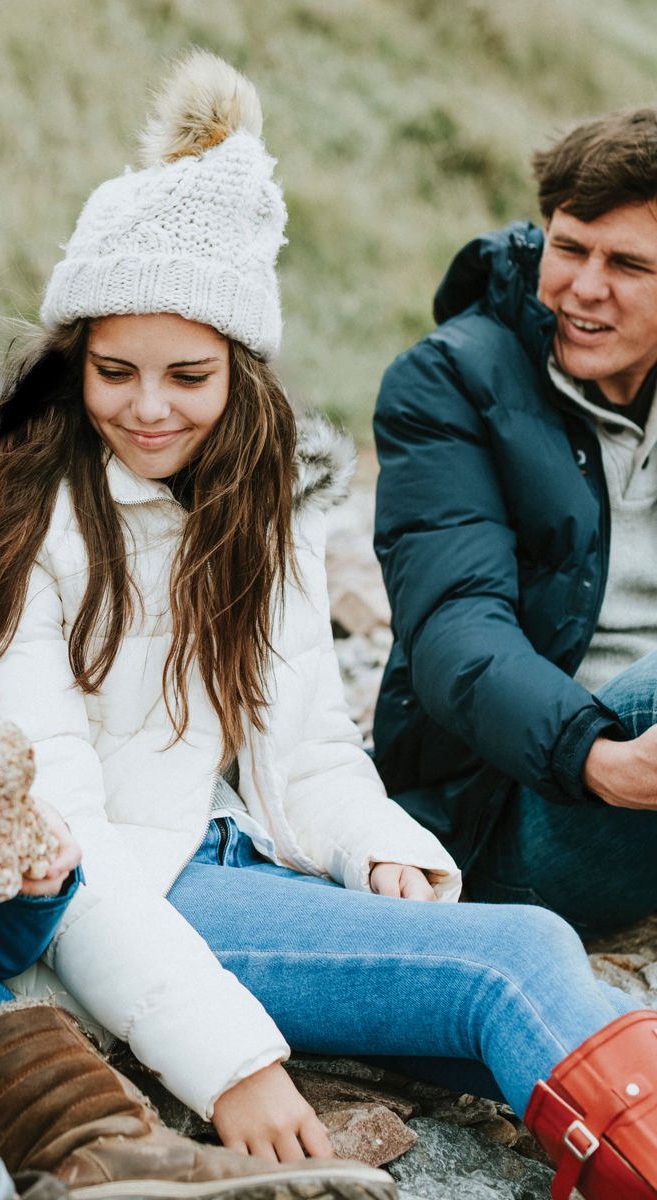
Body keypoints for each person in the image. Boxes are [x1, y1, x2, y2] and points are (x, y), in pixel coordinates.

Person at [0, 51, 657, 1200]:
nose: (149, 408)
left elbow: (305, 747)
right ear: (70, 362)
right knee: (519, 953)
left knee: (507, 999)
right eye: (114, 371)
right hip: (123, 896)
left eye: (188, 376)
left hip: (246, 863)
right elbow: (48, 828)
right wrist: (231, 1063)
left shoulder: (264, 501)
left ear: (242, 375)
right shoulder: (7, 507)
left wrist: (380, 846)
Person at [371, 108, 657, 938]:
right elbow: (456, 629)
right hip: (514, 809)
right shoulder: (449, 381)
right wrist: (597, 761)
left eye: (629, 264)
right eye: (569, 248)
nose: (584, 287)